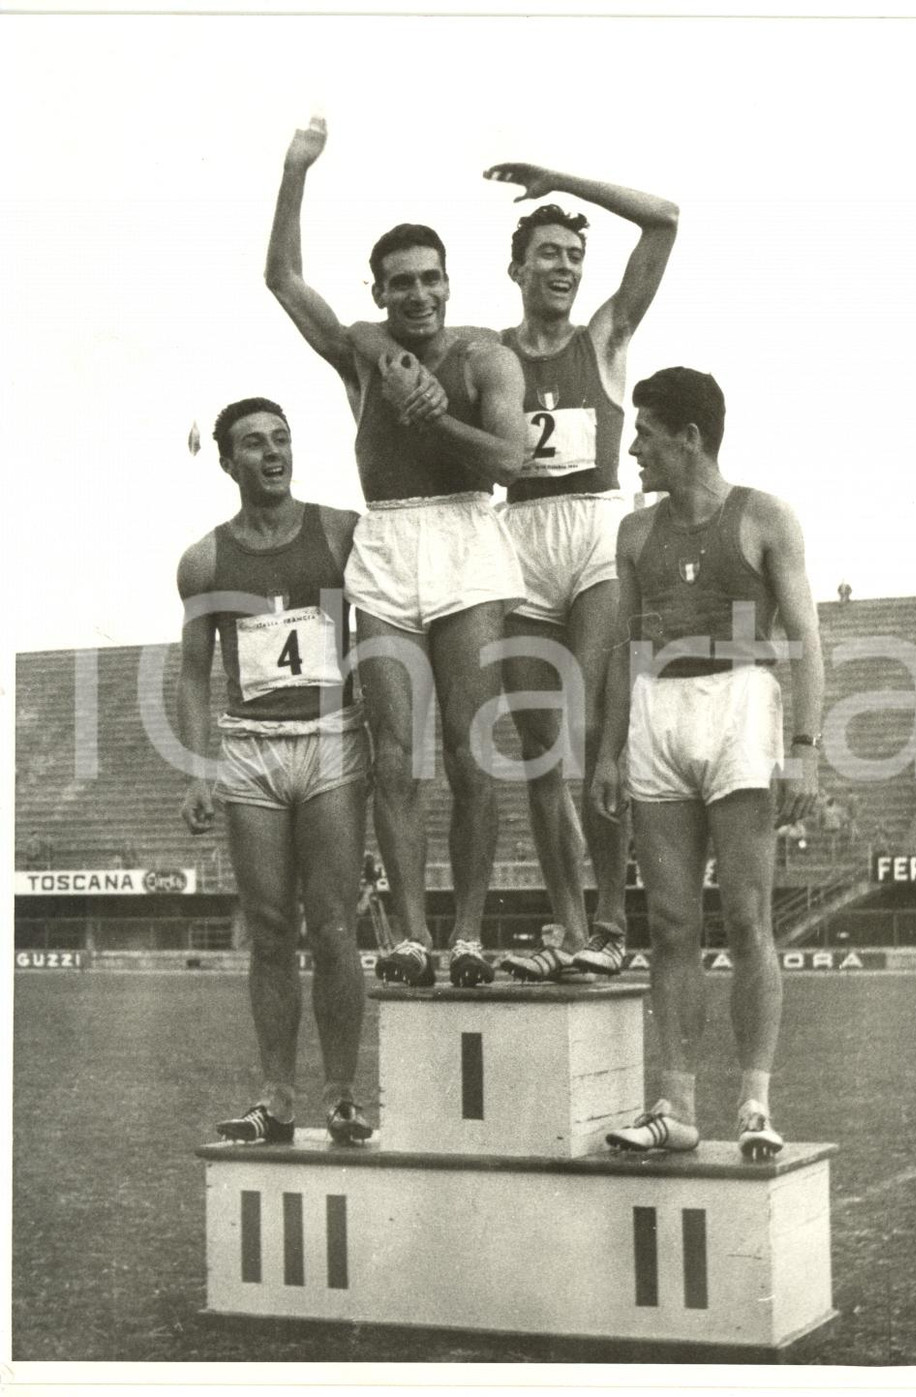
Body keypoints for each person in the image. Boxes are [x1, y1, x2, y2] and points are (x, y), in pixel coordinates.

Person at [266, 120, 527, 990]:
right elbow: (282, 278)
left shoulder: (486, 356)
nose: (417, 293)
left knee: (470, 747)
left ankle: (469, 933)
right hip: (386, 540)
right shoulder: (361, 351)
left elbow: (508, 461)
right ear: (378, 290)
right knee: (393, 754)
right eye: (400, 283)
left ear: (450, 281)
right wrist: (295, 170)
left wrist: (432, 417)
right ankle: (411, 934)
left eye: (430, 278)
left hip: (466, 538)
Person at [592, 368, 823, 1160]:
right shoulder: (633, 534)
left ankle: (755, 1102)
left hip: (741, 708)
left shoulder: (762, 518)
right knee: (670, 925)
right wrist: (609, 748)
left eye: (646, 433)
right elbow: (625, 650)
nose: (634, 449)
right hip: (659, 713)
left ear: (688, 438)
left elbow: (806, 640)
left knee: (748, 918)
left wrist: (805, 749)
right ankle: (677, 1105)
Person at [481, 163, 679, 983]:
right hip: (520, 537)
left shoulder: (604, 337)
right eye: (549, 253)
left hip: (597, 530)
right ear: (517, 267)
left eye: (573, 255)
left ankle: (608, 921)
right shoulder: (484, 355)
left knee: (602, 731)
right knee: (538, 750)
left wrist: (558, 180)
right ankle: (567, 925)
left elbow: (664, 219)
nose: (563, 267)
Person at [177, 397, 372, 1146]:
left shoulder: (340, 532)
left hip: (329, 739)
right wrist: (198, 768)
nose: (272, 452)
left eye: (282, 439)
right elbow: (195, 674)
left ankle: (345, 1095)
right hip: (252, 746)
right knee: (268, 928)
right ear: (227, 462)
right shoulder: (205, 560)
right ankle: (278, 1098)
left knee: (332, 926)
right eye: (254, 443)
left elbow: (380, 625)